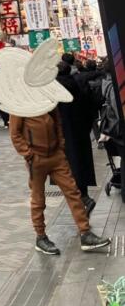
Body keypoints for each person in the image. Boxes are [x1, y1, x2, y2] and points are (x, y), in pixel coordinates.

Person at [9, 105, 110, 255]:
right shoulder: (20, 105)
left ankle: (85, 233)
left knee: (73, 191)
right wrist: (29, 154)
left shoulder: (48, 99)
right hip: (36, 158)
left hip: (56, 155)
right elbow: (15, 133)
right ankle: (41, 237)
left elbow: (57, 121)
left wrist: (61, 146)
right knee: (38, 199)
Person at [56, 61, 97, 213]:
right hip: (80, 133)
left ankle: (81, 202)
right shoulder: (79, 85)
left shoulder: (54, 91)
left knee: (65, 169)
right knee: (80, 165)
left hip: (62, 134)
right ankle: (84, 196)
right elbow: (91, 109)